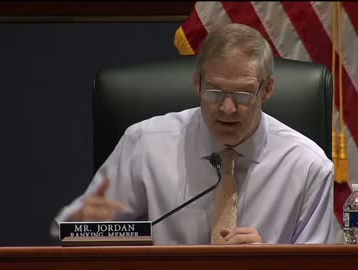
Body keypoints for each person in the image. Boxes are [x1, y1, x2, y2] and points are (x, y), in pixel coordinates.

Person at [52, 23, 334, 245]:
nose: (227, 108)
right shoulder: (146, 145)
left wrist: (268, 262)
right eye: (214, 92)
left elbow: (320, 264)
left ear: (268, 90)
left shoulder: (307, 166)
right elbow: (72, 235)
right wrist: (82, 226)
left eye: (243, 95)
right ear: (197, 84)